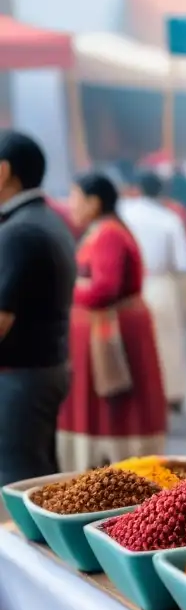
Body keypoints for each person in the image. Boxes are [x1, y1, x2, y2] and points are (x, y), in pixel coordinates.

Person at [58, 173, 167, 470]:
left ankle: (118, 471)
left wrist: (63, 287)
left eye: (75, 198)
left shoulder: (108, 234)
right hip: (108, 332)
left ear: (94, 202)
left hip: (115, 336)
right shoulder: (105, 230)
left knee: (115, 409)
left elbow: (104, 289)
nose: (71, 206)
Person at [0, 132, 76, 486]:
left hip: (21, 375)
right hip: (42, 369)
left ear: (4, 172)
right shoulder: (43, 218)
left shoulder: (18, 231)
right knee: (37, 475)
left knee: (18, 481)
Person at [118, 170, 186, 413]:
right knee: (167, 342)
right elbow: (183, 262)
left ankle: (135, 396)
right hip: (160, 283)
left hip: (127, 285)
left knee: (130, 343)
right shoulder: (169, 218)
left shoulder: (122, 213)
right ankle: (170, 394)